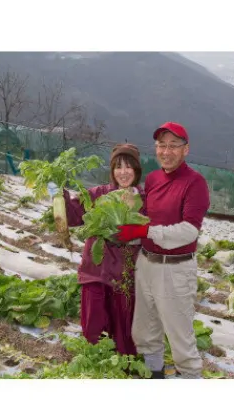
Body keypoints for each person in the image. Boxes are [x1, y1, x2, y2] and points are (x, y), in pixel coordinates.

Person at [116, 122, 210, 379]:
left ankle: (191, 378)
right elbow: (146, 215)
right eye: (161, 145)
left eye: (173, 146)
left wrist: (143, 232)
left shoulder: (195, 183)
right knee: (145, 330)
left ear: (185, 150)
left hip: (176, 268)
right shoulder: (154, 179)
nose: (165, 152)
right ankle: (154, 375)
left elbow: (189, 231)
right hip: (146, 263)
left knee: (180, 338)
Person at [64, 143, 144, 356]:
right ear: (112, 170)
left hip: (126, 276)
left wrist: (134, 235)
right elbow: (72, 215)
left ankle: (123, 370)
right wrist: (58, 194)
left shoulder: (145, 199)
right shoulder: (99, 194)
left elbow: (153, 232)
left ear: (137, 170)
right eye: (118, 167)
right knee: (94, 328)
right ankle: (95, 369)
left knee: (124, 333)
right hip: (95, 272)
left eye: (129, 167)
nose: (123, 172)